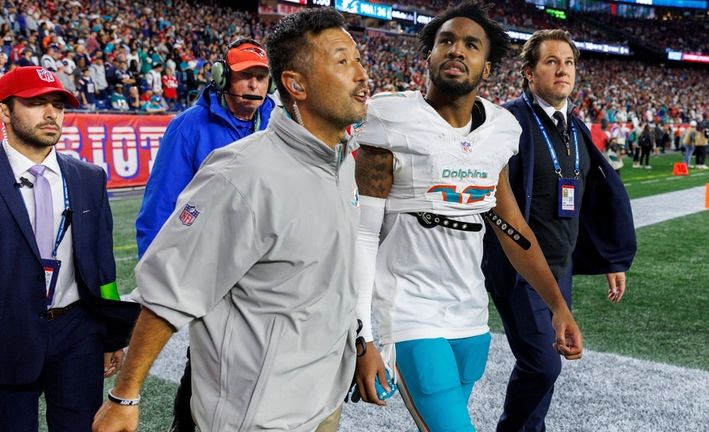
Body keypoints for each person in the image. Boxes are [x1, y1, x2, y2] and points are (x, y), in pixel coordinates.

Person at [92, 8, 369, 432]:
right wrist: (125, 395)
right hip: (256, 412)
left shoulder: (340, 160)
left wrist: (360, 342)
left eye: (358, 59)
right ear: (296, 85)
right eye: (343, 61)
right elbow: (170, 268)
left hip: (321, 397)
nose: (362, 74)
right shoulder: (233, 165)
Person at [352, 4, 583, 431]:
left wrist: (557, 306)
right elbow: (362, 234)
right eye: (447, 41)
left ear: (487, 67)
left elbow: (513, 229)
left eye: (471, 44)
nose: (457, 49)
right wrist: (362, 333)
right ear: (429, 58)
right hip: (408, 310)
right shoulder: (390, 117)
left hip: (470, 315)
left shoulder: (499, 129)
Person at [482, 29, 636, 432]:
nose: (562, 69)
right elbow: (494, 203)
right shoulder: (509, 122)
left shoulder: (574, 127)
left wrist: (610, 258)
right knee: (542, 363)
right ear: (529, 74)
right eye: (551, 61)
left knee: (549, 363)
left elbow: (586, 203)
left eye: (567, 62)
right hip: (518, 268)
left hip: (559, 267)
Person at [134, 37, 276, 432]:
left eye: (261, 77)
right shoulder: (189, 128)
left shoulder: (280, 121)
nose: (254, 86)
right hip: (212, 270)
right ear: (221, 76)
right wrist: (156, 281)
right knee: (206, 368)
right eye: (245, 76)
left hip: (264, 271)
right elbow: (161, 205)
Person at [0, 66, 139, 431]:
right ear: (5, 111)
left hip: (78, 332)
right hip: (7, 333)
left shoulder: (88, 177)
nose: (51, 114)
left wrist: (112, 335)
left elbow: (102, 266)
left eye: (58, 105)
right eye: (36, 103)